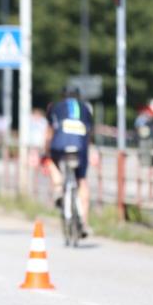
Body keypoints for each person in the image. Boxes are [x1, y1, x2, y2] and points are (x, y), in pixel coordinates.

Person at [44, 85, 94, 237]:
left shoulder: (56, 107)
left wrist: (45, 150)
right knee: (82, 181)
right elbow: (89, 133)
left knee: (49, 160)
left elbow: (50, 132)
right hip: (80, 148)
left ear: (62, 96)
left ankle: (59, 187)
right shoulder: (86, 108)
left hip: (59, 145)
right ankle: (84, 223)